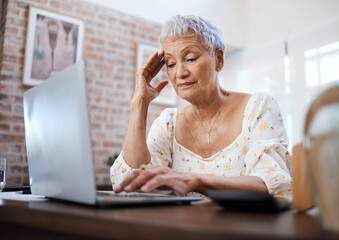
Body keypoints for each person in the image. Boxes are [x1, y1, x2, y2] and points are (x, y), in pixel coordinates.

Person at [110, 15, 292, 200]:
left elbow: (270, 184)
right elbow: (128, 185)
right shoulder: (168, 124)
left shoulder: (258, 108)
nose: (180, 73)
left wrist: (195, 180)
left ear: (219, 59)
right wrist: (139, 103)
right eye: (171, 64)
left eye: (190, 58)